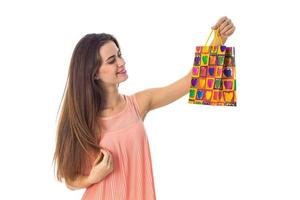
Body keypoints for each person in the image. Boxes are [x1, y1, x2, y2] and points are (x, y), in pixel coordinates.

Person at [53, 16, 235, 200]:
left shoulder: (138, 104)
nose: (121, 62)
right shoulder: (84, 120)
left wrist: (219, 39)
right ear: (94, 74)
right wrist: (93, 177)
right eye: (111, 60)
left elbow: (191, 81)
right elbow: (69, 178)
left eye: (119, 55)